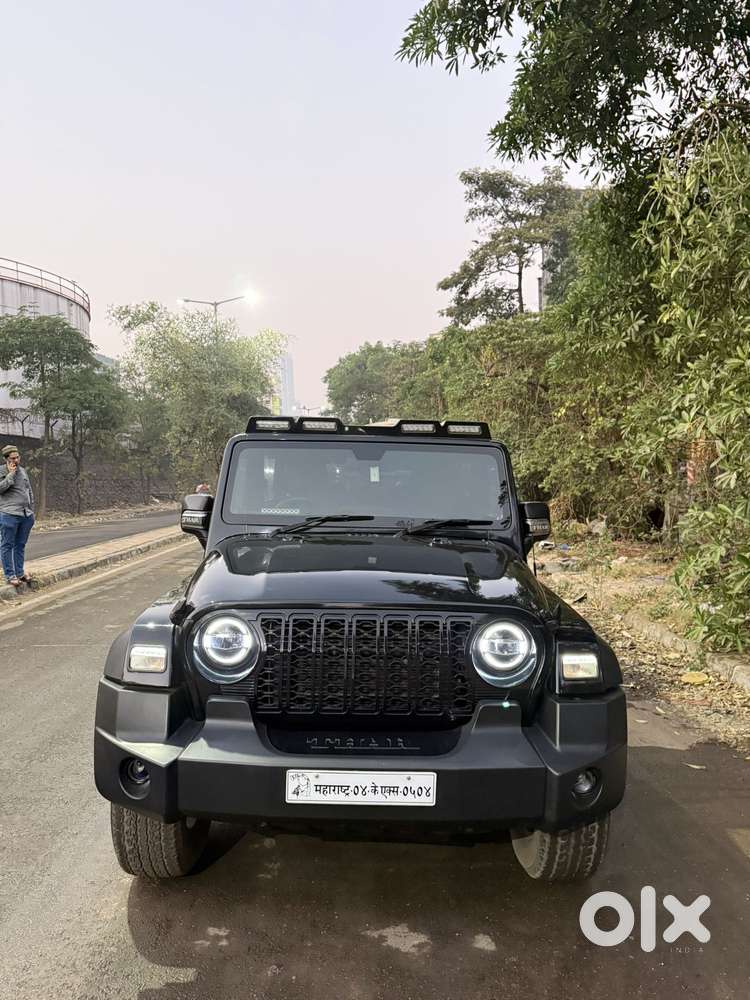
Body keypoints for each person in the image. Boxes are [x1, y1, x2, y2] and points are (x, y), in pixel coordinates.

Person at [0, 444, 35, 588]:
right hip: (9, 514)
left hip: (26, 514)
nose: (16, 460)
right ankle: (10, 575)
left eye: (17, 457)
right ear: (6, 459)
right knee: (7, 545)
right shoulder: (1, 471)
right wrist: (10, 474)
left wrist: (32, 509)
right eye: (12, 458)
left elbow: (29, 490)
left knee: (20, 545)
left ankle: (20, 572)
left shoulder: (23, 471)